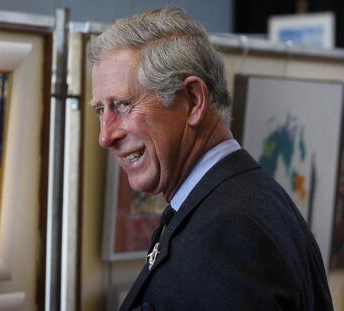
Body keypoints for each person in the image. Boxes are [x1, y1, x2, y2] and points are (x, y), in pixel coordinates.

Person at [89, 7, 333, 311]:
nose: (105, 136)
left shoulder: (228, 232)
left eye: (124, 104)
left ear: (193, 100)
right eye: (101, 110)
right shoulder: (242, 200)